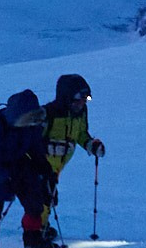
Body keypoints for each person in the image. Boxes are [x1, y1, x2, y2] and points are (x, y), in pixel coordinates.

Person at [0, 88, 59, 248]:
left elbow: (36, 150)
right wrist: (4, 179)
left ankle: (33, 241)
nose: (32, 121)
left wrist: (46, 171)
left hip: (19, 164)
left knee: (35, 201)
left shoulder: (31, 127)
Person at [44, 73, 106, 229]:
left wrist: (91, 145)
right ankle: (35, 234)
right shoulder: (49, 114)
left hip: (58, 165)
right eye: (79, 100)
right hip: (42, 164)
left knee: (49, 196)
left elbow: (80, 134)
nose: (82, 104)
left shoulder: (81, 113)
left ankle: (41, 227)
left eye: (85, 100)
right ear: (66, 98)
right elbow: (33, 139)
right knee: (42, 196)